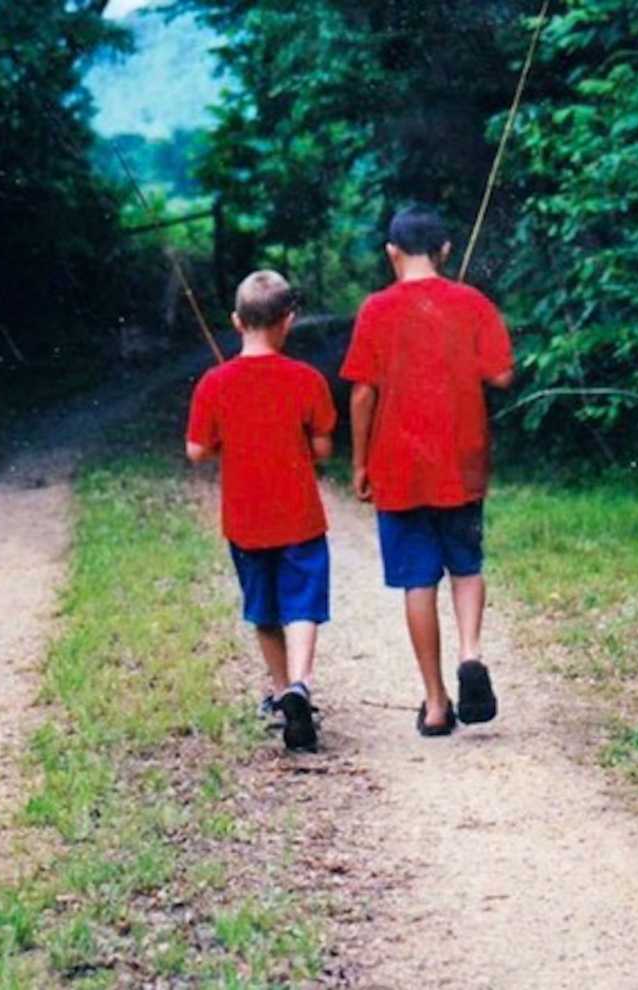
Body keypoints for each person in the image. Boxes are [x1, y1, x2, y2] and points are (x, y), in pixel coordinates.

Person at [340, 204, 514, 737]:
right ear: (445, 252)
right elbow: (503, 375)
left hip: (398, 464)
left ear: (391, 253)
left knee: (418, 581)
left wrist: (360, 462)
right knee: (465, 566)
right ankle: (470, 651)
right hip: (461, 461)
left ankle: (437, 703)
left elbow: (363, 391)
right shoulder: (472, 303)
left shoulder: (375, 309)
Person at [186, 270, 336, 752]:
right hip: (300, 516)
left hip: (245, 519)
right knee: (303, 603)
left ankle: (278, 689)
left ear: (235, 320)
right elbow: (323, 447)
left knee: (264, 607)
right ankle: (299, 684)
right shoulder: (307, 379)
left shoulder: (215, 382)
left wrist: (225, 442)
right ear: (288, 321)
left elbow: (196, 450)